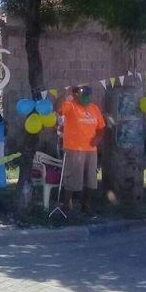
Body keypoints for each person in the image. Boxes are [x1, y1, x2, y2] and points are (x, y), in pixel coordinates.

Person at [59, 85, 105, 215]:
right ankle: (66, 207)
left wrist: (98, 139)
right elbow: (60, 111)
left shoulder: (94, 108)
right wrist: (66, 99)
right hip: (73, 149)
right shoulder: (70, 105)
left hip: (91, 150)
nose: (85, 98)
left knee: (90, 180)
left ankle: (86, 207)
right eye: (82, 95)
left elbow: (101, 128)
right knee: (73, 178)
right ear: (75, 94)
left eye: (87, 95)